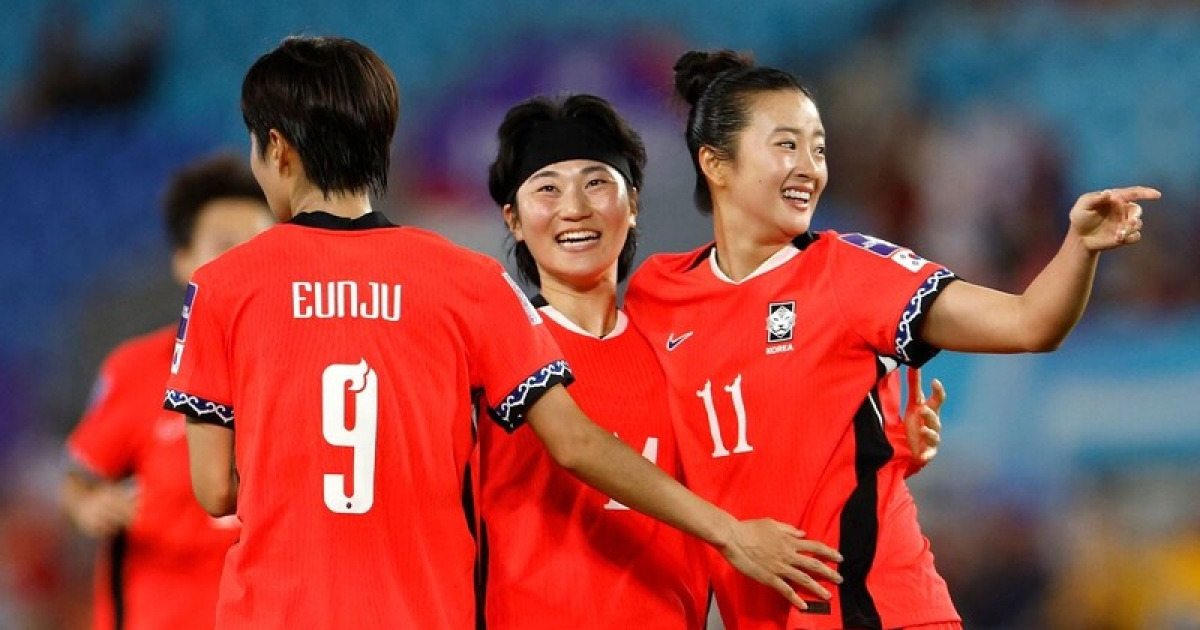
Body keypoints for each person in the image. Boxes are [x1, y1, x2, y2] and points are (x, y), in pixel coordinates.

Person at [165, 36, 831, 629]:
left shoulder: (224, 286)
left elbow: (214, 489)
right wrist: (727, 532)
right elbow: (572, 441)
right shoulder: (468, 280)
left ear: (275, 149)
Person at [624, 49, 1158, 630]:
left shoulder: (850, 270)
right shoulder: (658, 291)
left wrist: (1079, 246)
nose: (809, 166)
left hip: (882, 612)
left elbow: (1030, 324)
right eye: (786, 144)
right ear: (716, 164)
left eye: (818, 147)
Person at [479, 92, 947, 630]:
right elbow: (572, 447)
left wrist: (878, 440)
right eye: (547, 189)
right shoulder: (495, 342)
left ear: (632, 206)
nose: (574, 208)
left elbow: (753, 448)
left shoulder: (670, 346)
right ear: (513, 220)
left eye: (596, 182)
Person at [62, 154, 273, 630]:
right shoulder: (137, 369)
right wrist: (88, 505)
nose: (241, 263)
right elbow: (78, 476)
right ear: (183, 261)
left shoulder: (303, 369)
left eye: (259, 247)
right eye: (224, 246)